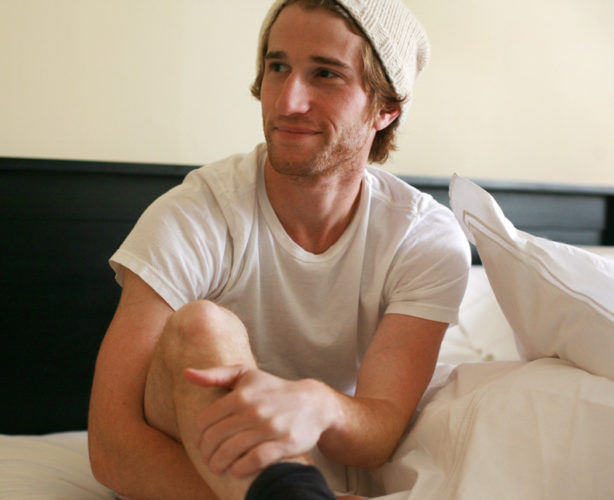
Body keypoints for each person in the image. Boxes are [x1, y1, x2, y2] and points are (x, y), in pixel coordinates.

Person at [88, 0, 471, 499]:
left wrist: (318, 404)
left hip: (314, 480)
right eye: (277, 67)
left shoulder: (421, 238)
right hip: (184, 472)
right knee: (202, 326)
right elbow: (112, 447)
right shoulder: (197, 214)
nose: (288, 101)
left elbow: (376, 436)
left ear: (386, 109)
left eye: (325, 74)